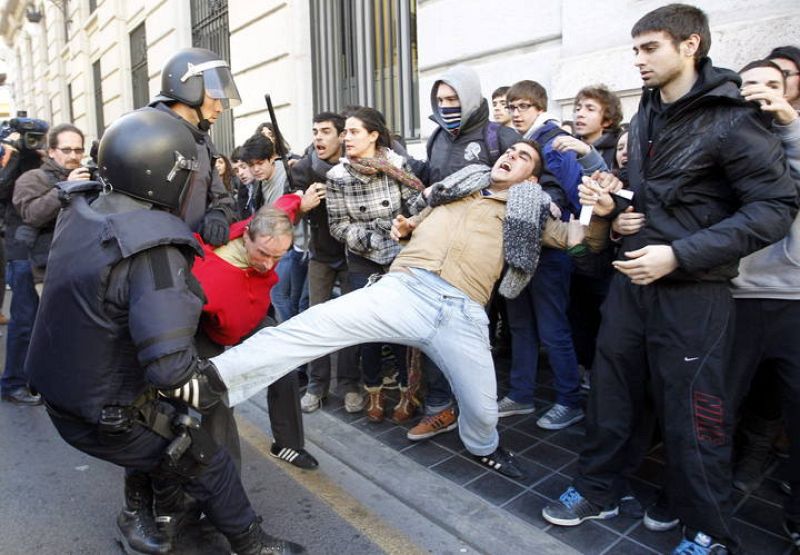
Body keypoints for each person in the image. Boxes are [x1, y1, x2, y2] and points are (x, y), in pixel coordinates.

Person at [542, 6, 797, 554]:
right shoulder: (648, 111)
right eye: (635, 49)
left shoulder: (734, 116)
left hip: (695, 290)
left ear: (690, 45)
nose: (638, 60)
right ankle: (597, 490)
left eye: (649, 48)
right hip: (633, 282)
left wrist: (679, 254)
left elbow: (774, 208)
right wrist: (617, 207)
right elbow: (659, 196)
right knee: (610, 393)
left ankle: (707, 528)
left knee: (695, 411)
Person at [205, 140, 613, 483]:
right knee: (309, 325)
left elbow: (582, 243)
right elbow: (412, 221)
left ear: (531, 179)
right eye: (509, 151)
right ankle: (214, 378)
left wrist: (598, 218)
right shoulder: (450, 192)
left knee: (484, 408)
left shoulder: (530, 214)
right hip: (404, 289)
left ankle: (483, 447)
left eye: (524, 157)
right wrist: (405, 227)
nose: (511, 155)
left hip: (463, 312)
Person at [25, 109, 305, 555]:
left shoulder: (81, 210)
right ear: (167, 175)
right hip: (101, 412)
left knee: (162, 430)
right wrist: (223, 383)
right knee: (202, 450)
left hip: (63, 394)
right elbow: (173, 371)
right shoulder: (154, 250)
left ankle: (158, 513)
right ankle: (251, 543)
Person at [407, 65, 522, 443]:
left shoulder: (500, 136)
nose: (446, 106)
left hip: (478, 261)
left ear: (470, 98)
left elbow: (528, 179)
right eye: (440, 100)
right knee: (431, 335)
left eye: (453, 99)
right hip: (435, 254)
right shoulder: (437, 137)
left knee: (471, 338)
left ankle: (474, 409)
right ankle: (439, 407)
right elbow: (432, 186)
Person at [728, 58, 800, 549]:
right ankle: (705, 493)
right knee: (721, 401)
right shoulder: (724, 139)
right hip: (735, 293)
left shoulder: (794, 137)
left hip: (793, 296)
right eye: (749, 84)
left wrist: (789, 127)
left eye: (772, 85)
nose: (759, 92)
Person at [193, 202, 320, 471]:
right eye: (263, 254)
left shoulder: (268, 227)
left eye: (278, 256)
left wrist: (301, 199)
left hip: (251, 319)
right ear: (246, 234)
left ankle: (287, 443)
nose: (268, 264)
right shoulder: (204, 269)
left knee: (282, 361)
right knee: (218, 393)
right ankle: (225, 485)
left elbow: (285, 206)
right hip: (206, 328)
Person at [326, 106, 422, 424]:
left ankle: (409, 391)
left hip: (399, 253)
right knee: (369, 327)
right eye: (345, 132)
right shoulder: (337, 176)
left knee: (400, 326)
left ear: (373, 135)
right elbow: (337, 225)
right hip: (362, 258)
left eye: (353, 131)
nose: (346, 138)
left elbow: (419, 204)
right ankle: (375, 393)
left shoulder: (396, 166)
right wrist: (368, 237)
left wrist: (405, 224)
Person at [499, 80, 585, 430]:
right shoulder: (518, 140)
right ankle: (520, 395)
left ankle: (569, 400)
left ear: (539, 107)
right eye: (511, 106)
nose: (515, 113)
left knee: (553, 330)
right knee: (521, 326)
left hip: (548, 247)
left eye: (523, 107)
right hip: (520, 245)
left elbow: (564, 188)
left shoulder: (552, 139)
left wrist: (547, 200)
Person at [294, 112, 364, 414]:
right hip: (321, 254)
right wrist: (302, 202)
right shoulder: (303, 169)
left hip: (353, 255)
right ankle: (316, 384)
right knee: (316, 320)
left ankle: (348, 384)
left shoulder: (356, 165)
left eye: (325, 132)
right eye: (315, 132)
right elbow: (289, 209)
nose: (318, 138)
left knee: (350, 322)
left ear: (341, 137)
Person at [146, 47, 239, 246]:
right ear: (190, 89)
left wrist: (218, 214)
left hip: (192, 256)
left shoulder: (202, 140)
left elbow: (221, 197)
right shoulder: (144, 132)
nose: (219, 108)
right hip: (154, 259)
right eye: (214, 97)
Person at [0, 122, 47, 406]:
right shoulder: (11, 160)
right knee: (24, 321)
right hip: (20, 250)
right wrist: (15, 158)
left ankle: (32, 378)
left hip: (43, 251)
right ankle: (13, 382)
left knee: (41, 322)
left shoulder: (44, 163)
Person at [13, 123, 91, 281]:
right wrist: (65, 189)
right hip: (50, 270)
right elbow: (32, 215)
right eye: (66, 150)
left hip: (87, 265)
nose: (73, 156)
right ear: (51, 152)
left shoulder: (90, 175)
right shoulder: (33, 178)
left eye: (78, 150)